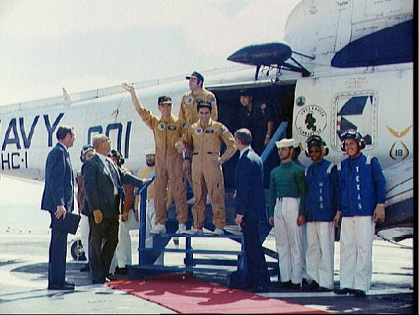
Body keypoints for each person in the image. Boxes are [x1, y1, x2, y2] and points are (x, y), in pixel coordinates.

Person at [82, 134, 148, 284]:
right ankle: (97, 275)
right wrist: (95, 209)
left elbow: (123, 176)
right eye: (108, 141)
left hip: (112, 210)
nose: (110, 143)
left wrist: (141, 182)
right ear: (100, 145)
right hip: (100, 211)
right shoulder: (91, 164)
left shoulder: (110, 163)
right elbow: (90, 188)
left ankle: (103, 271)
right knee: (96, 243)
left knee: (113, 240)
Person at [123, 82, 188, 235]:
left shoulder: (179, 122)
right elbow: (141, 111)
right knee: (159, 191)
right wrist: (133, 93)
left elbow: (186, 136)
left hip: (174, 159)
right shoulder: (156, 122)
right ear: (159, 107)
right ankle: (160, 222)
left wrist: (181, 143)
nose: (166, 108)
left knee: (178, 190)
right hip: (160, 160)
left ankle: (182, 222)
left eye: (169, 106)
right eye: (163, 106)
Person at [334, 129, 386, 298]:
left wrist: (380, 205)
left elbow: (380, 183)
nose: (349, 147)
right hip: (348, 213)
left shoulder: (370, 162)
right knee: (347, 248)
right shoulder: (342, 165)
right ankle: (347, 283)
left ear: (359, 145)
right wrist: (339, 211)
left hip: (365, 212)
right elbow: (341, 189)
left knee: (363, 248)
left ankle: (361, 285)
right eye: (346, 144)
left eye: (352, 144)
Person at [177, 100, 236, 235]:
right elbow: (187, 144)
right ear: (198, 113)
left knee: (216, 194)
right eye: (201, 113)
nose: (204, 116)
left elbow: (232, 145)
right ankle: (198, 225)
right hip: (197, 162)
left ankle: (219, 225)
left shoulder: (218, 127)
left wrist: (222, 158)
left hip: (212, 162)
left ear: (210, 113)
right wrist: (186, 158)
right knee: (198, 195)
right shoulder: (192, 128)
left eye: (206, 113)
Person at [234, 128, 270, 292]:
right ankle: (254, 279)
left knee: (253, 248)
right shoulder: (255, 157)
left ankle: (260, 280)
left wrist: (240, 213)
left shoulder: (246, 159)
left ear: (238, 141)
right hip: (255, 209)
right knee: (252, 247)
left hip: (250, 211)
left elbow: (246, 188)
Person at [41, 125, 77, 290]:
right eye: (73, 135)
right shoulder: (58, 153)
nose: (74, 138)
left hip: (60, 205)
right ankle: (56, 281)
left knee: (60, 242)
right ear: (67, 136)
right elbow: (56, 182)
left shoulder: (62, 153)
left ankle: (58, 279)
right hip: (59, 206)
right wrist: (60, 204)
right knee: (58, 243)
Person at [267, 138, 306, 290]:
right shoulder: (275, 172)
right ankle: (285, 277)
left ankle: (296, 279)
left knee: (295, 242)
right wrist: (271, 213)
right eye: (279, 149)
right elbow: (272, 193)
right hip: (279, 204)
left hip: (293, 203)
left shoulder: (298, 171)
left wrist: (302, 212)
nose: (280, 152)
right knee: (281, 243)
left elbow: (303, 193)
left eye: (284, 149)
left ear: (291, 150)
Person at [304, 135, 338, 291]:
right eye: (311, 151)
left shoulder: (331, 168)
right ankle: (313, 278)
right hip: (312, 215)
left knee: (326, 248)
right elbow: (306, 193)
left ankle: (326, 281)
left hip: (325, 214)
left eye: (317, 150)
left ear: (323, 151)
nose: (314, 154)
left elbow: (337, 191)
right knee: (312, 247)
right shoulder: (309, 170)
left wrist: (338, 211)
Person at [109, 149, 136, 276]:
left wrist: (125, 211)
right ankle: (114, 264)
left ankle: (125, 263)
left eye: (114, 159)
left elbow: (129, 193)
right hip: (113, 211)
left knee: (123, 238)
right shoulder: (109, 172)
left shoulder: (125, 173)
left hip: (124, 209)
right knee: (114, 238)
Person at [135, 148, 164, 265]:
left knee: (157, 235)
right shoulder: (141, 172)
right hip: (143, 203)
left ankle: (158, 263)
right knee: (145, 234)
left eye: (152, 156)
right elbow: (137, 191)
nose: (149, 158)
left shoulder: (161, 171)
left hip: (156, 203)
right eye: (147, 156)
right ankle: (146, 262)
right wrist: (136, 208)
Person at [77, 144, 95, 273]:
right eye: (88, 156)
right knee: (85, 235)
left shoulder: (97, 169)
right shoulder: (81, 172)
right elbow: (80, 192)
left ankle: (95, 263)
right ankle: (90, 261)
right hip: (84, 208)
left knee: (95, 237)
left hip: (94, 208)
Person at [238, 89, 275, 156]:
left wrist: (268, 136)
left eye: (245, 97)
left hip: (263, 135)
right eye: (241, 98)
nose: (243, 100)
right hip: (253, 138)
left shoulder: (259, 106)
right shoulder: (243, 110)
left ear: (250, 98)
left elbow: (270, 120)